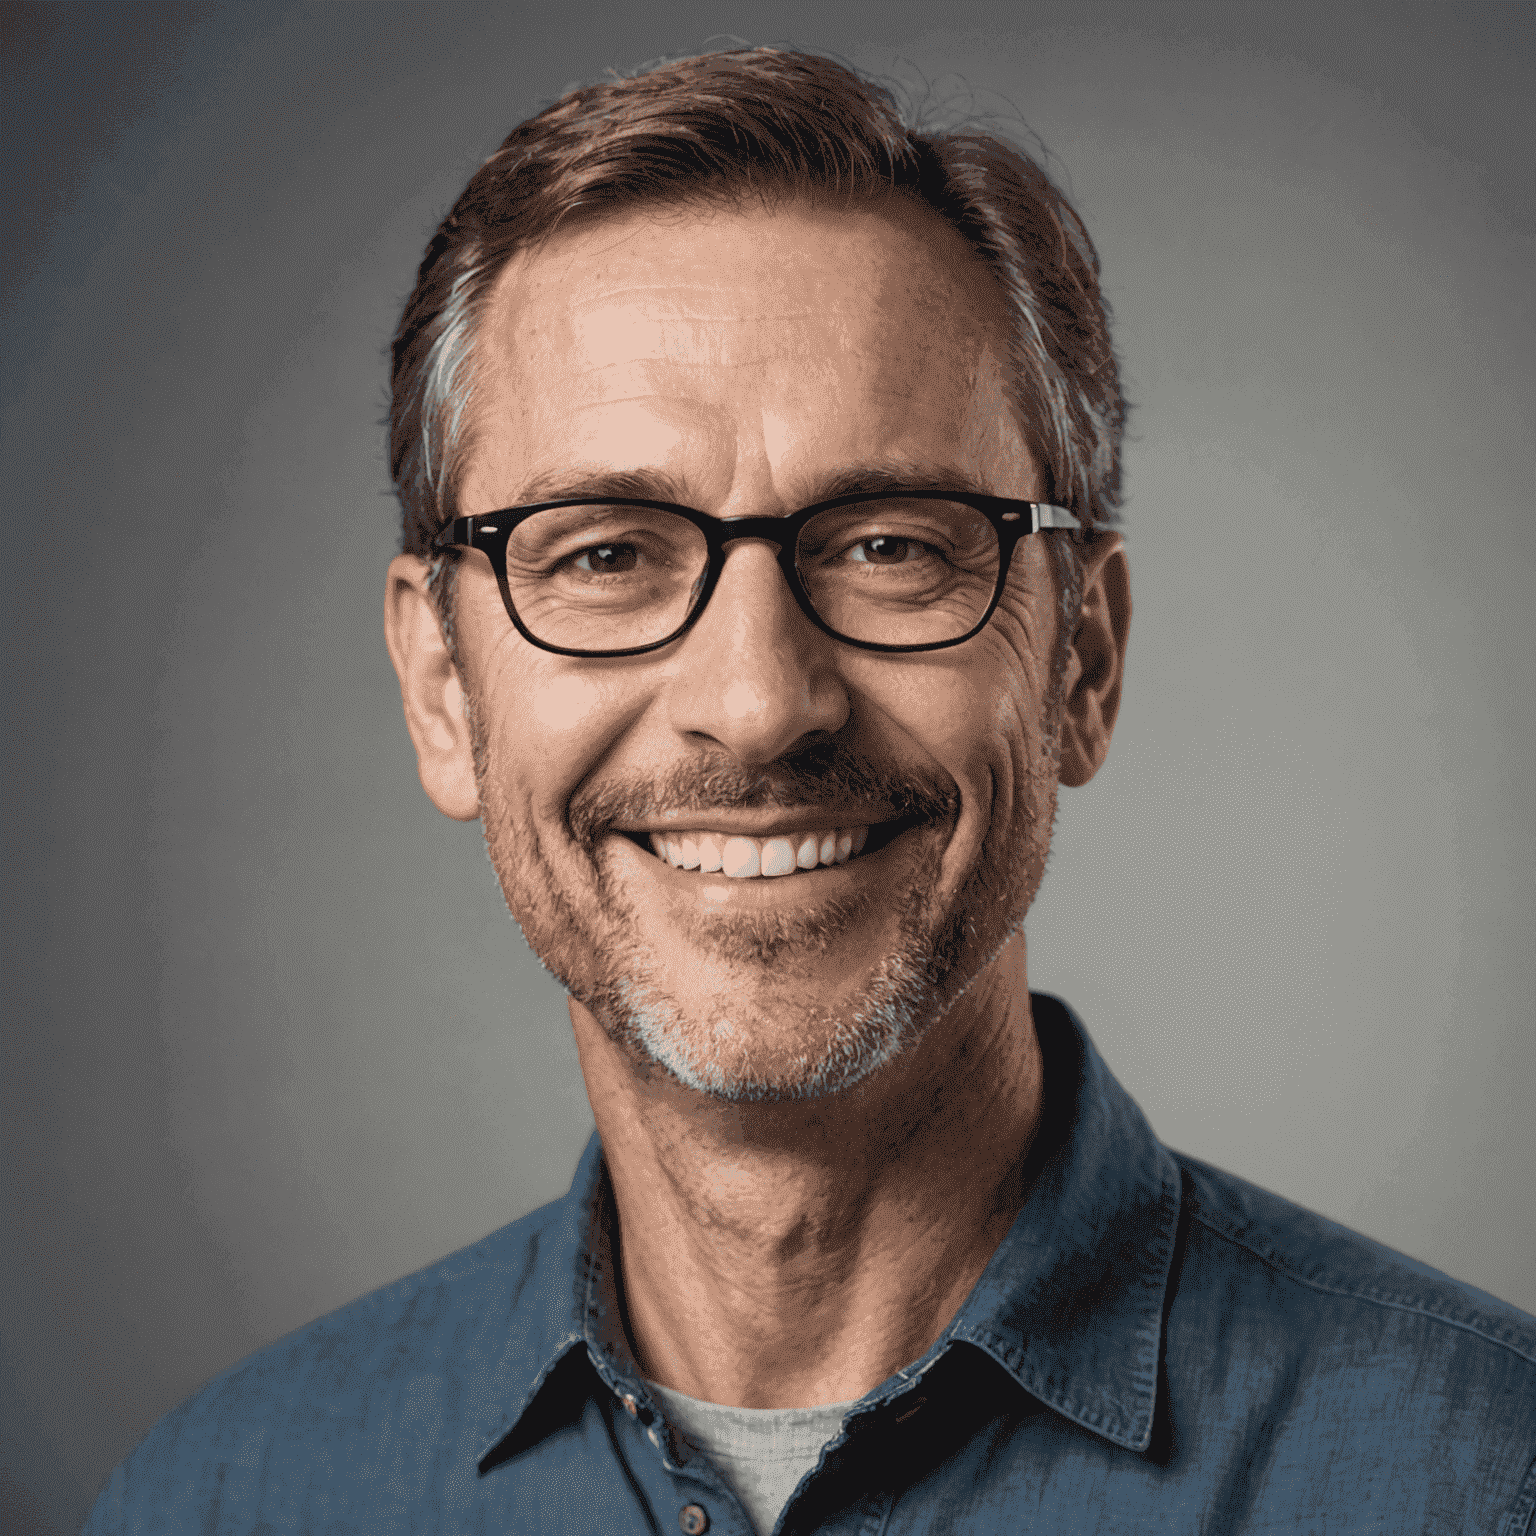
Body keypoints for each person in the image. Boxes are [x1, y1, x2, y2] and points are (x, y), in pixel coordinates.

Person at [85, 45, 1534, 1536]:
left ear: (1080, 663)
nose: (760, 702)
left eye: (892, 544)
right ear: (442, 689)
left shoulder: (1485, 1479)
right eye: (603, 553)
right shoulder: (216, 1504)